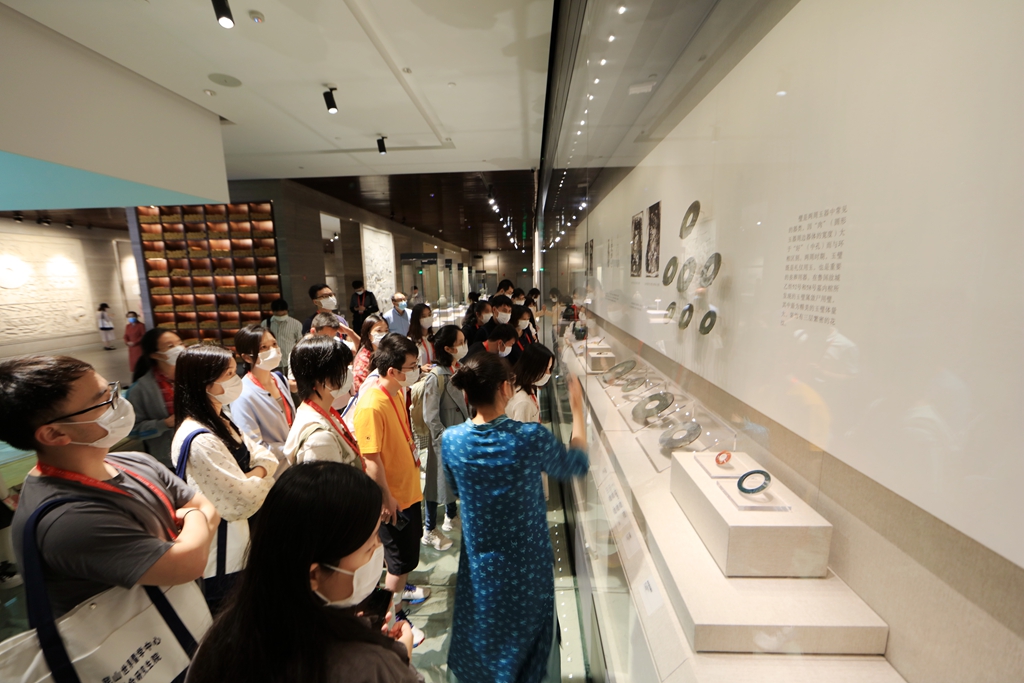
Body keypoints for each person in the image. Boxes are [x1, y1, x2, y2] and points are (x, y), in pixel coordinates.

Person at [2, 355, 220, 618]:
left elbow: (209, 510)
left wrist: (194, 527)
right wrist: (194, 516)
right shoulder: (67, 518)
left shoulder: (135, 462)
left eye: (112, 391)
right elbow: (188, 564)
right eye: (103, 401)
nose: (119, 404)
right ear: (55, 433)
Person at [185, 461, 420, 683]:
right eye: (370, 546)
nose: (379, 548)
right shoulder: (370, 666)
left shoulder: (222, 637)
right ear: (314, 575)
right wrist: (402, 659)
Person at [442, 353, 588, 683]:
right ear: (505, 388)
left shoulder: (452, 441)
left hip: (480, 566)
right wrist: (578, 411)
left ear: (466, 393)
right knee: (530, 643)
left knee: (485, 635)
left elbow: (455, 487)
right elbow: (575, 465)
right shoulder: (528, 438)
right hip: (528, 567)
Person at [171, 344, 278, 610]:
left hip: (240, 546)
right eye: (228, 374)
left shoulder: (221, 418)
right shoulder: (200, 439)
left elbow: (266, 457)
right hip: (222, 559)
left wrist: (252, 474)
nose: (236, 379)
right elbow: (243, 499)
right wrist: (262, 476)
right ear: (204, 383)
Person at [352, 334, 429, 642]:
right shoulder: (372, 404)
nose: (417, 370)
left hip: (408, 491)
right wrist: (386, 498)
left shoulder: (396, 393)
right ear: (393, 370)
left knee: (406, 558)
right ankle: (392, 620)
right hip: (394, 498)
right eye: (412, 366)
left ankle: (397, 605)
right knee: (396, 564)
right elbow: (370, 460)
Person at [418, 325, 468, 551]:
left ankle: (451, 515)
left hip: (459, 436)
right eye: (460, 342)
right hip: (444, 440)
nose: (464, 346)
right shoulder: (436, 377)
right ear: (448, 348)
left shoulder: (459, 370)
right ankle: (429, 529)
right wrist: (443, 440)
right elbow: (431, 416)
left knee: (451, 483)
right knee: (436, 484)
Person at [285, 335, 361, 468]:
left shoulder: (320, 411)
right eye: (342, 369)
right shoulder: (319, 440)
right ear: (318, 378)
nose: (348, 373)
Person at [231, 324, 295, 476]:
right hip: (274, 474)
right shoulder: (242, 395)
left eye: (274, 344)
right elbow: (254, 447)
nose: (273, 350)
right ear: (247, 357)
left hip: (295, 467)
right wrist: (293, 447)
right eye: (263, 347)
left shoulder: (279, 379)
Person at [127, 328, 185, 469]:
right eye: (170, 346)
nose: (179, 348)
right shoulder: (140, 390)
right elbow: (132, 430)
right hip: (170, 460)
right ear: (155, 354)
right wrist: (164, 424)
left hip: (204, 451)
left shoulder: (195, 376)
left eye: (180, 343)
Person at [507, 344, 554, 424]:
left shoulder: (520, 384)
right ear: (532, 367)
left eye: (549, 368)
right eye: (545, 369)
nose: (548, 373)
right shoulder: (523, 402)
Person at [262, 298, 303, 377]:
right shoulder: (265, 324)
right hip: (272, 361)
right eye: (278, 315)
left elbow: (300, 342)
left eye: (283, 314)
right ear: (273, 312)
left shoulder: (296, 324)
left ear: (287, 311)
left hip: (290, 362)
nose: (280, 317)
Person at [354, 313, 388, 393]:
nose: (384, 334)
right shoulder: (363, 360)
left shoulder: (387, 352)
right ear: (369, 334)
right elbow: (361, 388)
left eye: (386, 331)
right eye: (379, 331)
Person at [407, 303, 435, 369]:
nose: (427, 318)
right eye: (423, 316)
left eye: (429, 315)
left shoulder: (433, 337)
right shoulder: (410, 341)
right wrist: (420, 368)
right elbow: (407, 365)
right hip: (420, 374)